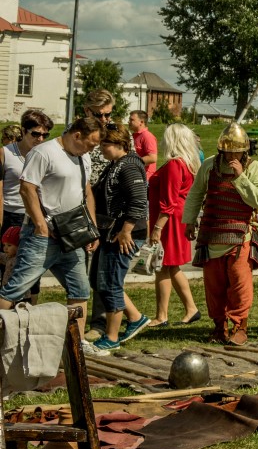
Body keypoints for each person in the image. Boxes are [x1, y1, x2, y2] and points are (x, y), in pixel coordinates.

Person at [0, 115, 102, 316]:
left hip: (72, 235)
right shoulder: (44, 152)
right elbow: (27, 189)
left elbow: (86, 192)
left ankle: (77, 344)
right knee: (15, 288)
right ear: (77, 135)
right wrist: (40, 225)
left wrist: (92, 229)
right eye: (89, 144)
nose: (91, 150)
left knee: (80, 289)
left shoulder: (84, 157)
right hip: (42, 236)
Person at [183, 123, 258, 345]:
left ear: (244, 150)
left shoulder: (253, 168)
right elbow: (195, 194)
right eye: (229, 149)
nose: (232, 154)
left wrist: (240, 177)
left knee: (240, 284)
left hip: (240, 237)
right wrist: (189, 221)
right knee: (214, 286)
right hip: (211, 234)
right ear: (222, 148)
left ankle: (240, 326)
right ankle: (219, 327)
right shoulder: (209, 165)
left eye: (237, 150)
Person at [90, 123, 151, 351]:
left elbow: (138, 201)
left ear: (118, 144)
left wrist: (126, 231)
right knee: (101, 281)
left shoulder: (129, 167)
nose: (101, 148)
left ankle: (112, 337)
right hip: (112, 232)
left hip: (125, 234)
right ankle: (135, 318)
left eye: (104, 144)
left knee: (111, 283)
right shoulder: (116, 164)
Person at [148, 122, 201, 327]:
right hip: (177, 217)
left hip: (168, 220)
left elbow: (168, 202)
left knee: (162, 266)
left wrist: (157, 228)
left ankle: (162, 315)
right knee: (171, 266)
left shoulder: (174, 165)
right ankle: (190, 308)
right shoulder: (187, 164)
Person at [3, 110, 50, 236]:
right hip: (10, 214)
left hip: (35, 216)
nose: (40, 139)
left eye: (45, 135)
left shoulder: (45, 154)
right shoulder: (5, 153)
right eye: (35, 134)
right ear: (23, 131)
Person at [127, 110, 158, 180]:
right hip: (135, 177)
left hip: (145, 179)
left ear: (141, 122)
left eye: (132, 120)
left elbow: (152, 158)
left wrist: (131, 162)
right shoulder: (133, 136)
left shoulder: (147, 136)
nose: (128, 122)